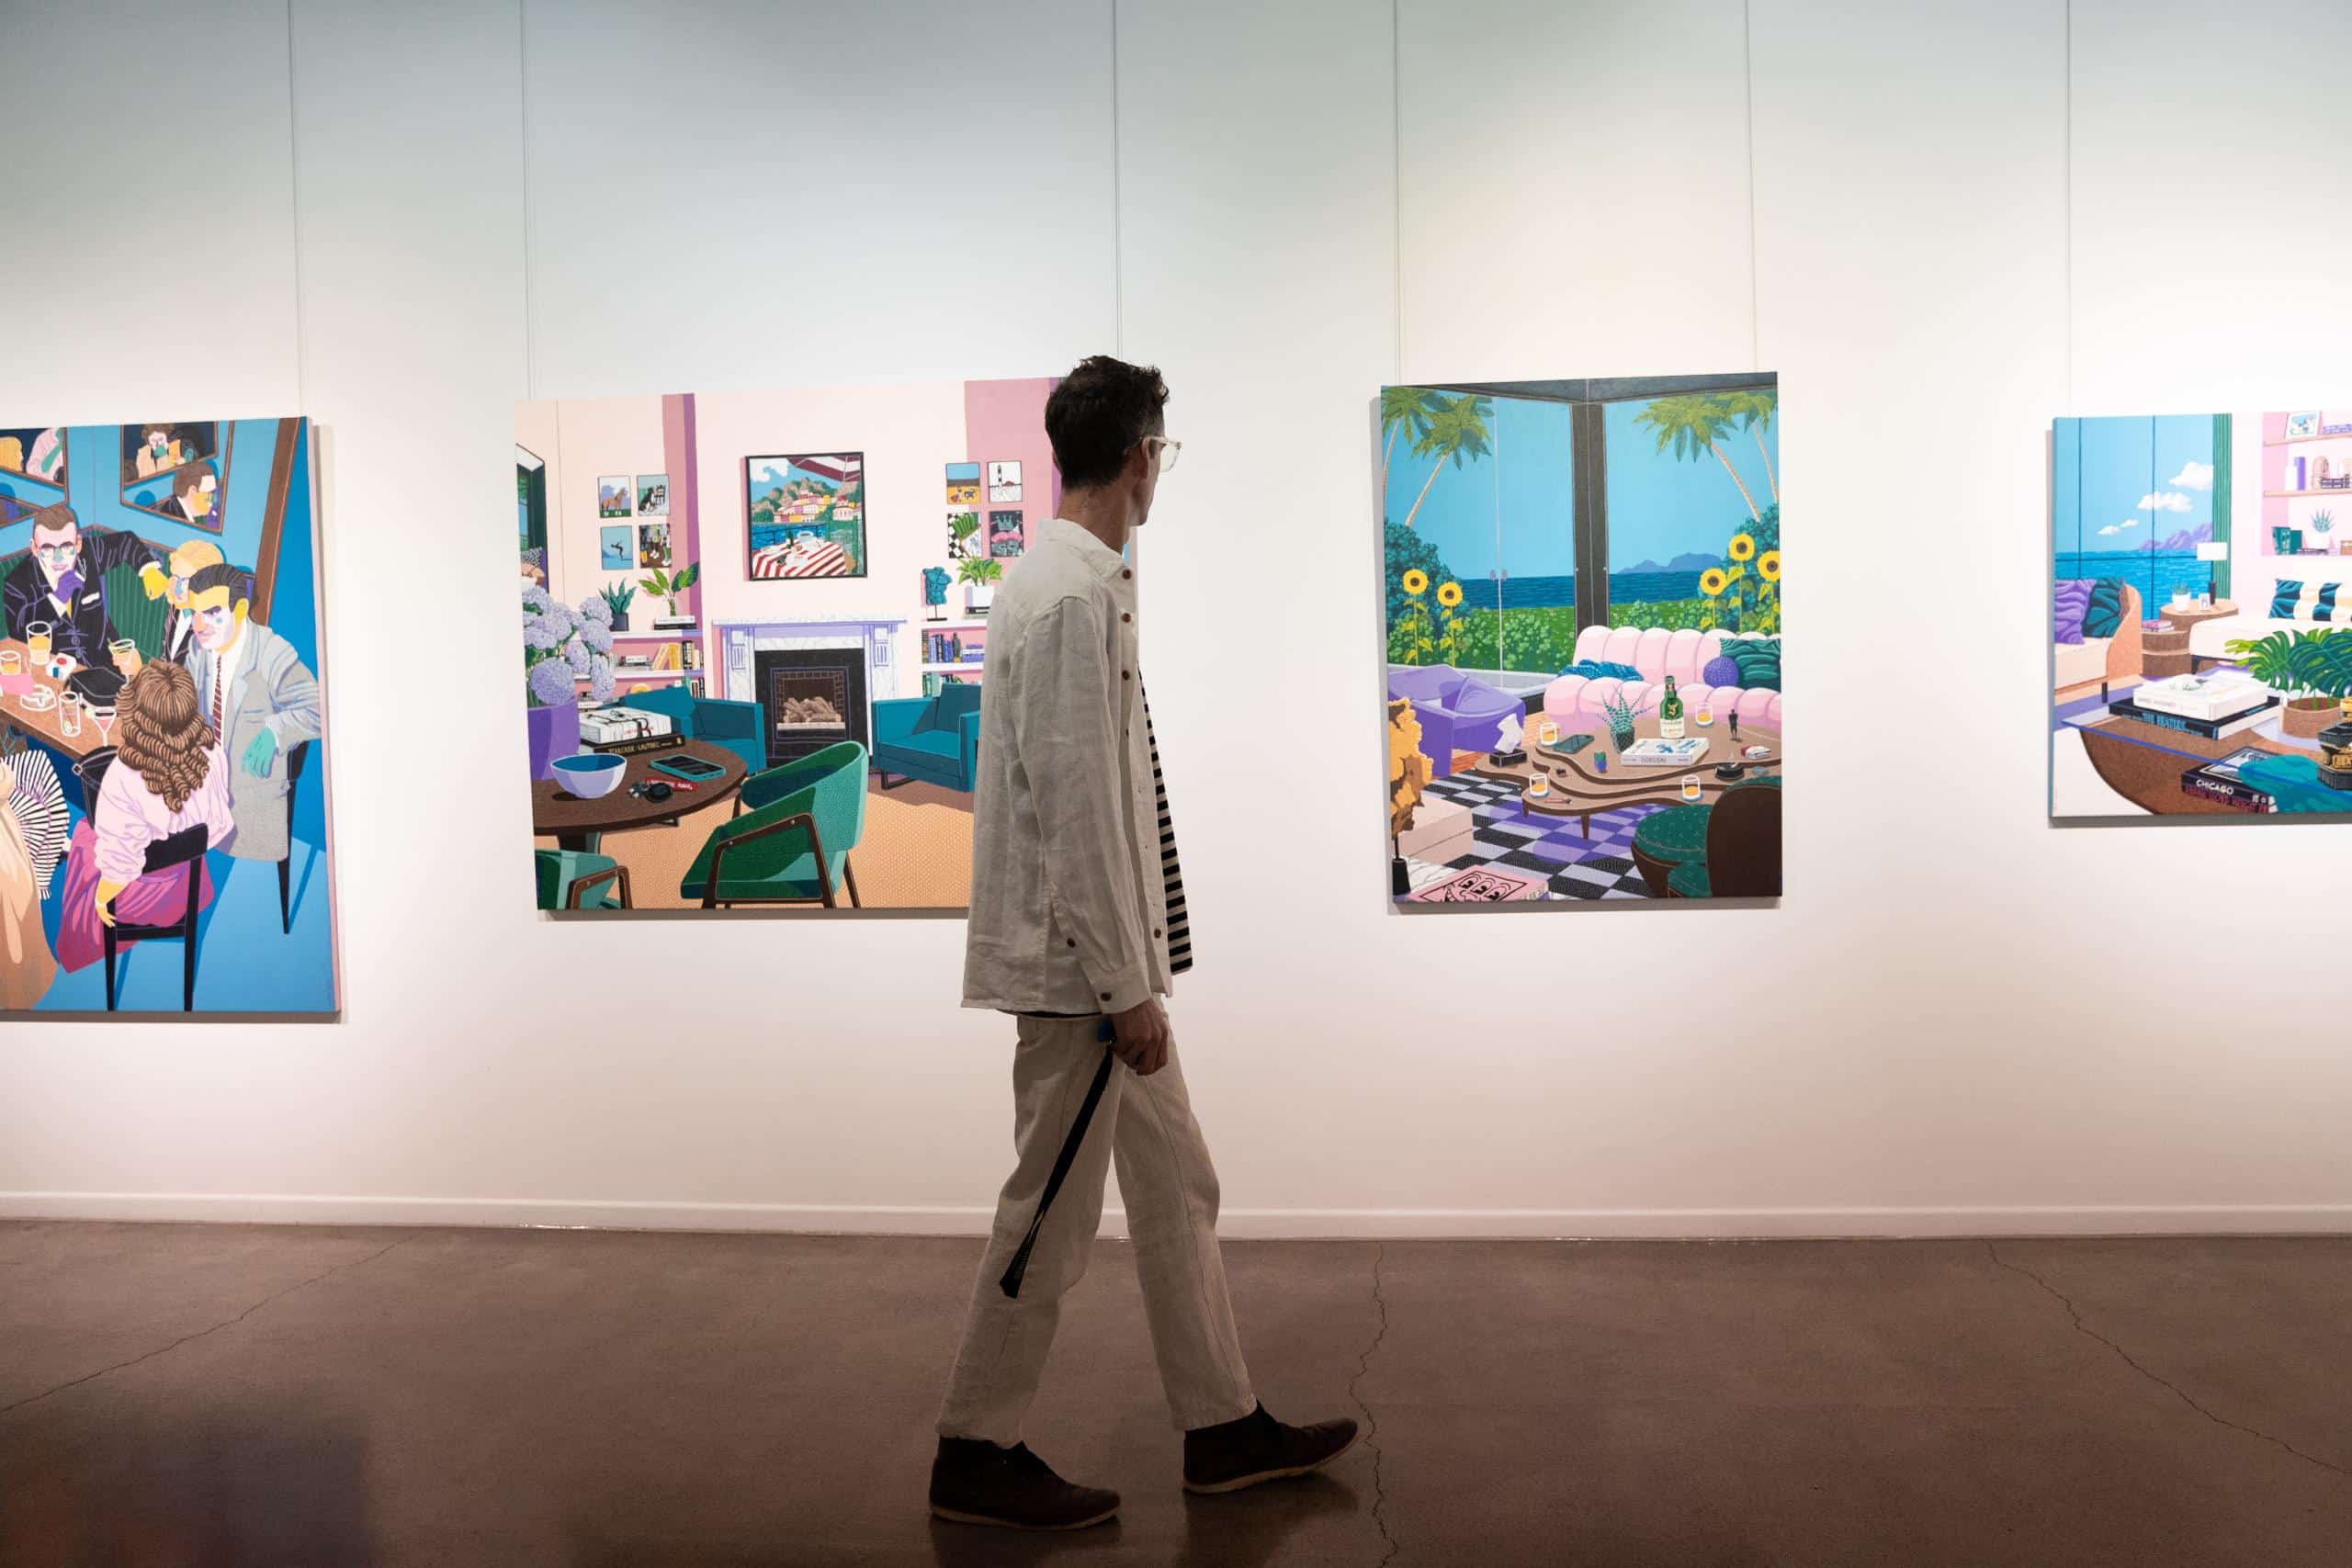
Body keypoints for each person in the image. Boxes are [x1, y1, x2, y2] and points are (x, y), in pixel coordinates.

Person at [931, 356, 1357, 1531]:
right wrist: (1126, 990)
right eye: (1160, 451)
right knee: (1049, 1218)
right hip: (1085, 986)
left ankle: (1221, 1424)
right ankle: (973, 1445)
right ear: (1138, 456)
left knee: (1177, 1190)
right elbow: (1074, 812)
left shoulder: (1078, 581)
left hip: (1109, 977)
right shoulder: (1070, 598)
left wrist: (1136, 980)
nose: (1159, 469)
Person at [52, 661, 234, 975]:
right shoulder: (213, 752)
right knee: (96, 837)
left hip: (146, 896)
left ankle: (80, 941)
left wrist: (101, 899)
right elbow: (218, 824)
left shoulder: (122, 776)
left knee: (83, 834)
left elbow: (120, 869)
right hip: (191, 882)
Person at [187, 564, 321, 868]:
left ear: (240, 609)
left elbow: (318, 708)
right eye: (194, 612)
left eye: (212, 612)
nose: (199, 624)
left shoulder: (270, 652)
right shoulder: (198, 647)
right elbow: (187, 703)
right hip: (202, 795)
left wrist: (275, 730)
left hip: (250, 809)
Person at [0, 503, 165, 695]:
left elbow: (125, 542)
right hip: (55, 680)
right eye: (47, 548)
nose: (58, 558)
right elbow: (19, 634)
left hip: (105, 667)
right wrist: (57, 598)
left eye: (66, 547)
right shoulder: (17, 583)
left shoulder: (88, 555)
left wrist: (148, 569)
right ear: (34, 548)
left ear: (78, 544)